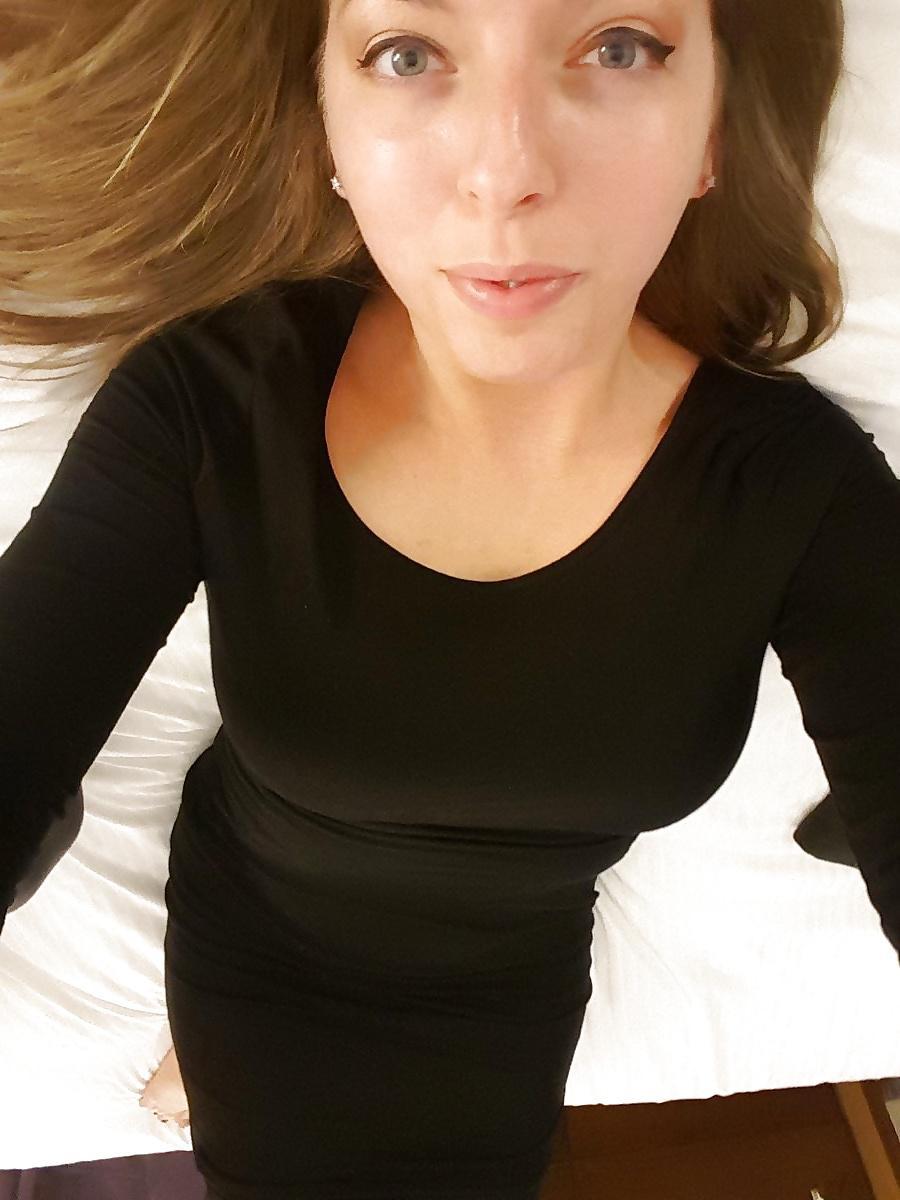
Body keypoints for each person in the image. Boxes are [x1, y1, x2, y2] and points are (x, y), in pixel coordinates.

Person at [2, 0, 898, 1197]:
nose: (505, 174)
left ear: (715, 132)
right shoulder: (211, 402)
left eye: (619, 48)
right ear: (329, 128)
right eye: (408, 55)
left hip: (509, 990)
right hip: (260, 947)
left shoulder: (800, 488)